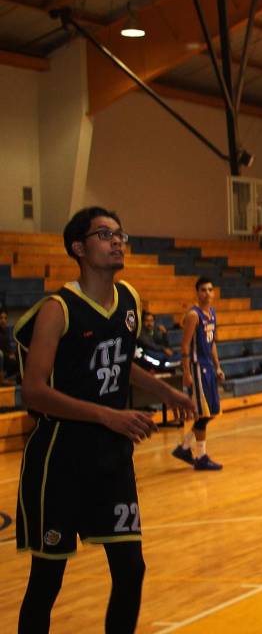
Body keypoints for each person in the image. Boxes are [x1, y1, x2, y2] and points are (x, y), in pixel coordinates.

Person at [13, 207, 194, 634]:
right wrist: (107, 415)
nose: (117, 241)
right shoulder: (58, 309)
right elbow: (33, 392)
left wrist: (164, 391)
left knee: (131, 569)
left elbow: (117, 360)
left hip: (110, 457)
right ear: (78, 248)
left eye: (120, 234)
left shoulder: (128, 299)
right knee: (47, 581)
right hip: (60, 458)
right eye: (104, 234)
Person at [171, 277, 225, 471]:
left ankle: (185, 447)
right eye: (203, 290)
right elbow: (184, 345)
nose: (207, 293)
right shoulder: (193, 315)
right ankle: (201, 456)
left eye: (210, 289)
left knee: (211, 412)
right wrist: (186, 372)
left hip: (208, 366)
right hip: (197, 367)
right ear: (197, 293)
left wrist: (218, 366)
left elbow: (212, 342)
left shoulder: (212, 313)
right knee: (203, 414)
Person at [0, 308, 18, 383]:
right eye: (1, 318)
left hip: (6, 357)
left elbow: (8, 347)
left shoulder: (6, 331)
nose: (3, 320)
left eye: (5, 318)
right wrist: (9, 355)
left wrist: (13, 354)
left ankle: (5, 377)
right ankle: (2, 378)